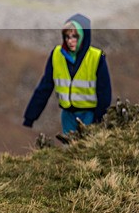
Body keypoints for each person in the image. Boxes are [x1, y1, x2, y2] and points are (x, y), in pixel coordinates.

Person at [23, 13, 112, 141]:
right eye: (67, 36)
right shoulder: (56, 55)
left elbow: (104, 93)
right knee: (70, 152)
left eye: (75, 36)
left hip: (89, 115)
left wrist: (98, 120)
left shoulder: (97, 58)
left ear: (84, 37)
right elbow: (44, 88)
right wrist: (30, 116)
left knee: (88, 151)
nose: (70, 40)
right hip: (67, 116)